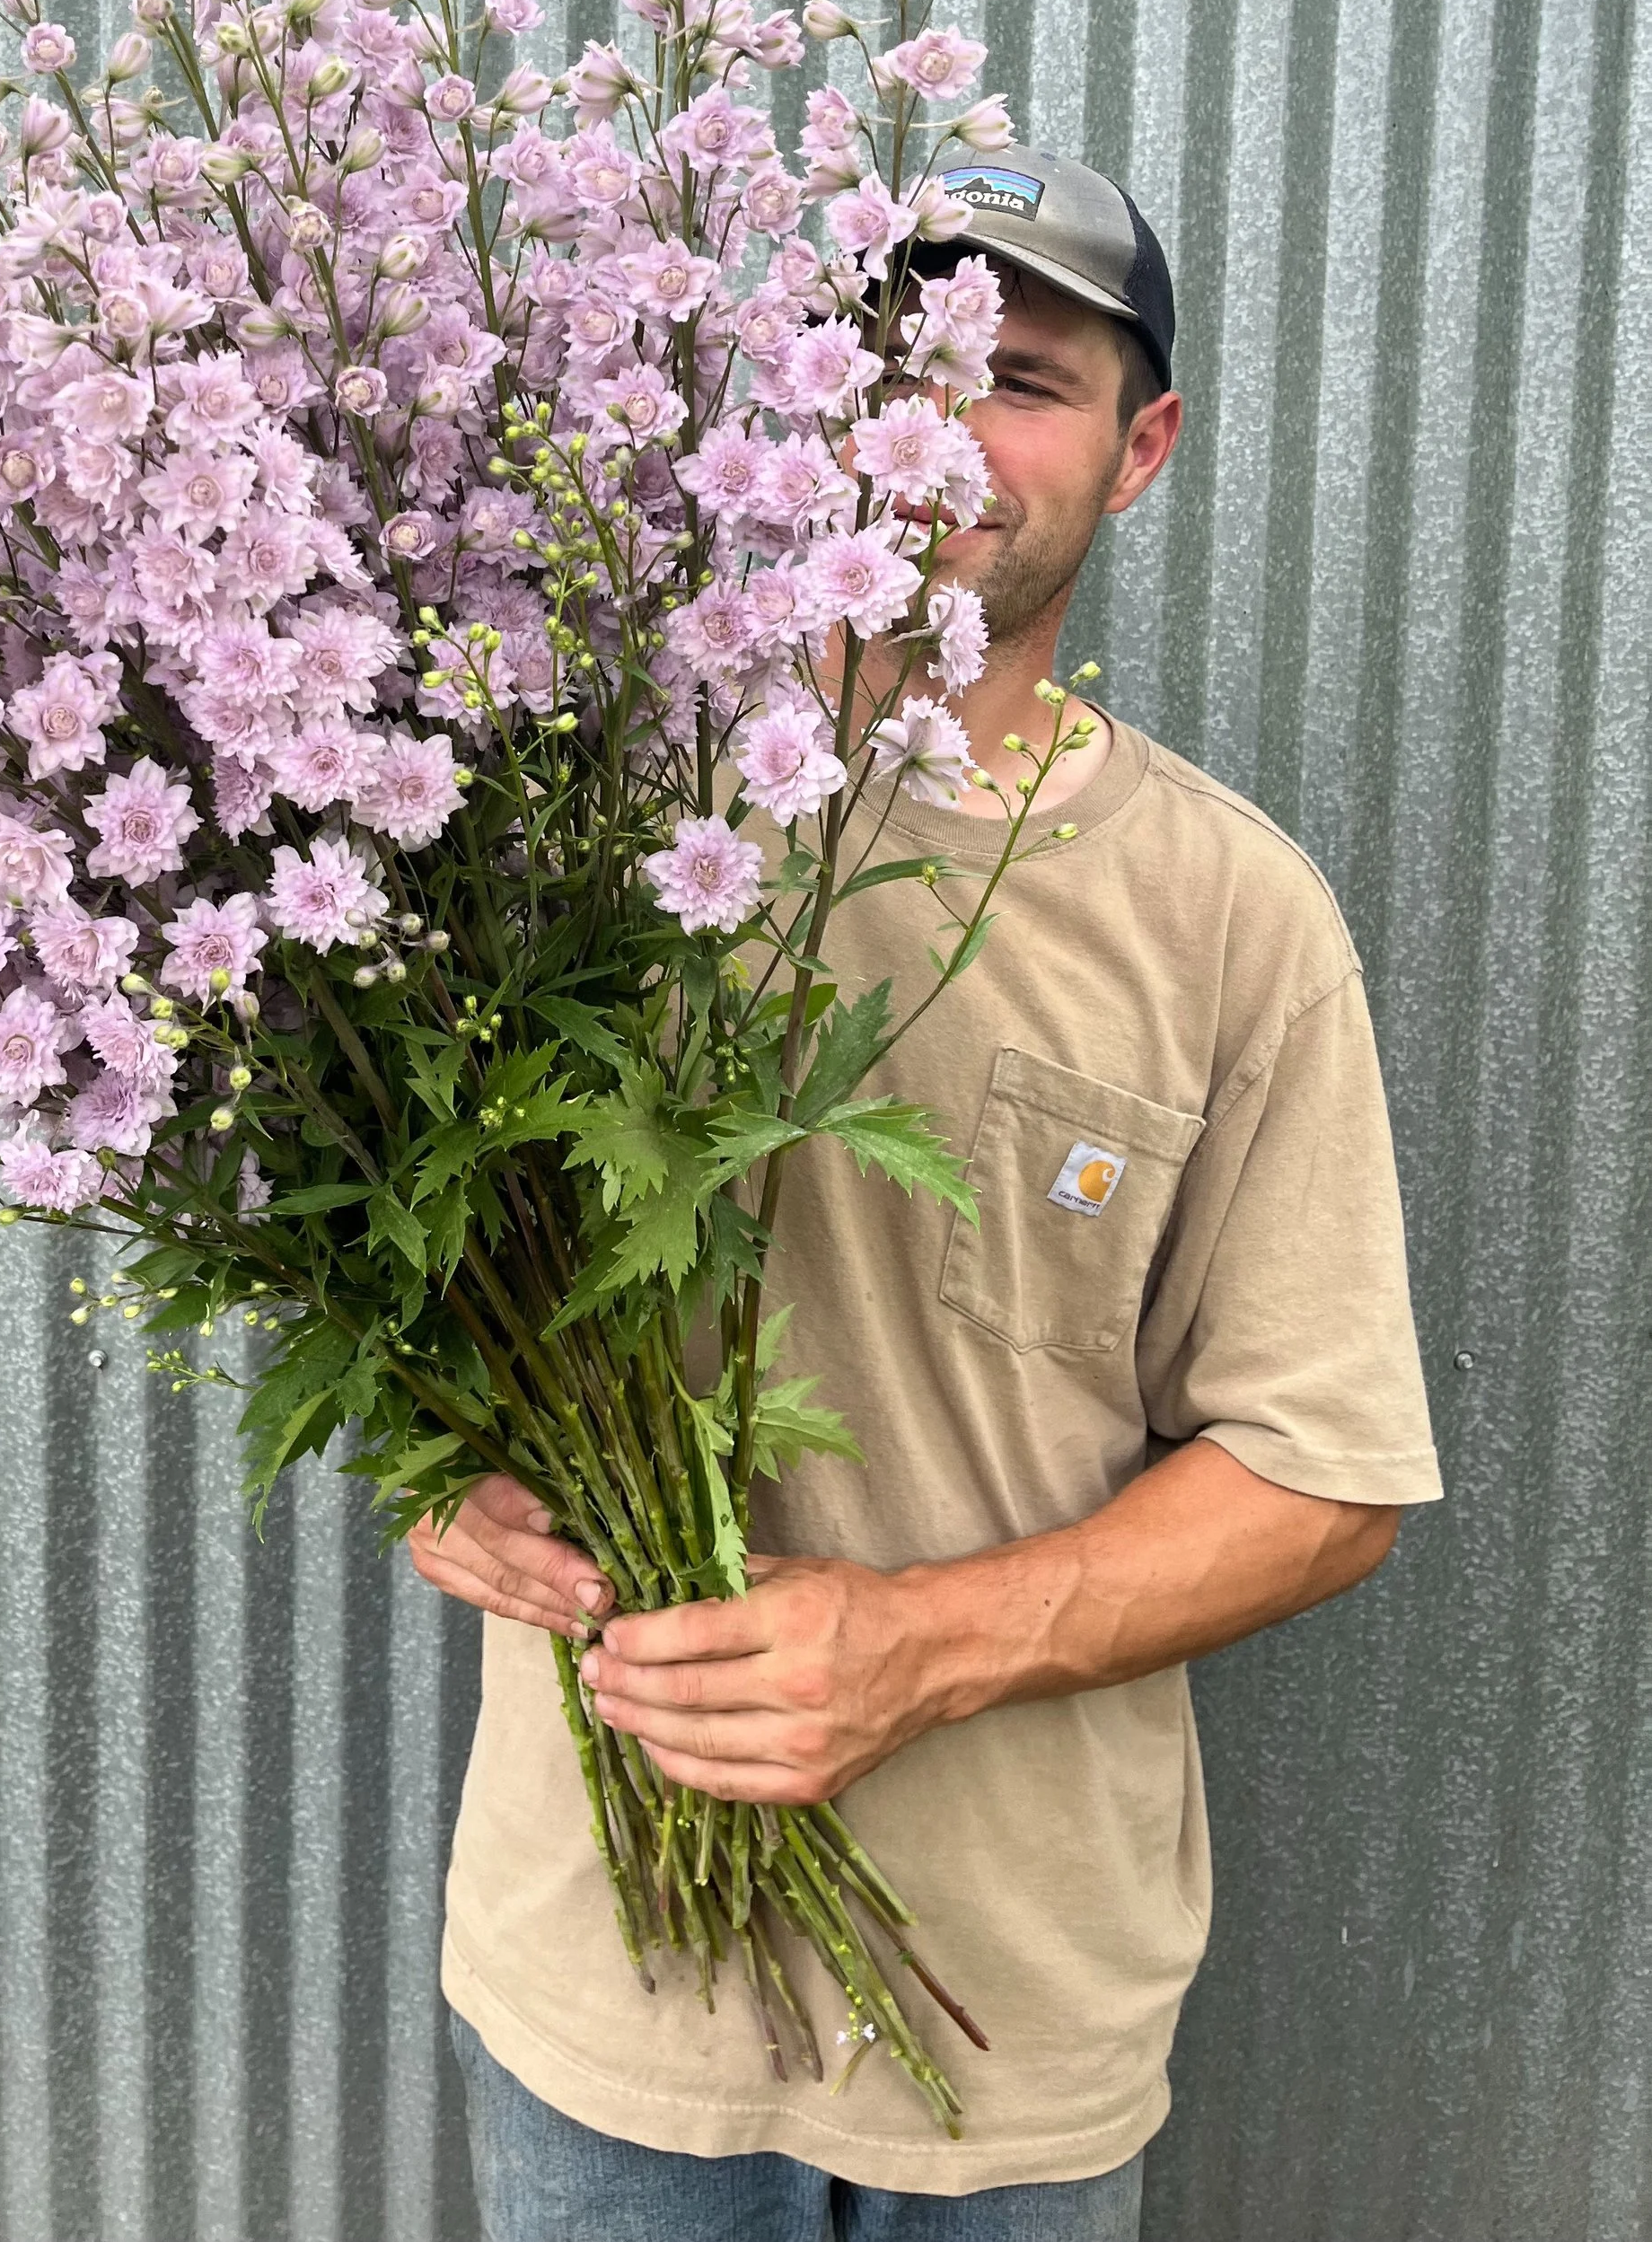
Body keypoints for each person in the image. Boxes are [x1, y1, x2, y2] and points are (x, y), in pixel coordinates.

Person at [411, 146, 1445, 2241]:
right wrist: (427, 1454)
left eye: (1022, 375)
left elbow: (1322, 1473)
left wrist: (917, 1645)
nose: (934, 425)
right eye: (890, 356)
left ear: (1137, 448)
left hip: (1013, 2030)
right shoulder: (565, 820)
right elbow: (409, 1229)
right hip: (602, 1985)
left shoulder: (1227, 915)